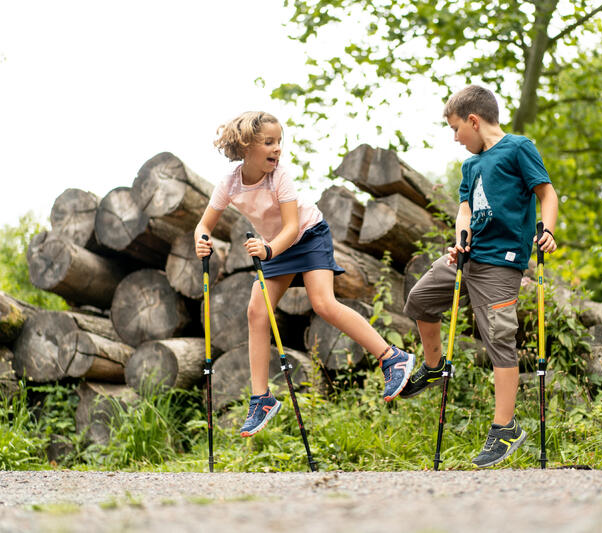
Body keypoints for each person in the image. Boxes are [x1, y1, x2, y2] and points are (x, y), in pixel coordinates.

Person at [195, 111, 414, 437]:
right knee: (256, 310)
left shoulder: (279, 175)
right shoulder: (228, 183)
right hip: (274, 246)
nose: (277, 148)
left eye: (279, 141)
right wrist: (202, 240)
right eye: (269, 142)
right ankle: (262, 399)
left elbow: (293, 226)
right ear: (246, 147)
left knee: (323, 303)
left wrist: (268, 250)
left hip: (306, 237)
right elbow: (204, 225)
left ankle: (392, 357)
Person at [400, 85, 558, 468]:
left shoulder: (519, 148)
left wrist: (548, 230)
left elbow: (547, 193)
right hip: (467, 259)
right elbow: (465, 208)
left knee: (499, 339)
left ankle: (505, 428)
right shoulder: (471, 166)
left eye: (456, 129)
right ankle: (434, 366)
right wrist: (459, 241)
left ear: (473, 120)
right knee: (419, 300)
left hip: (501, 264)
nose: (455, 138)